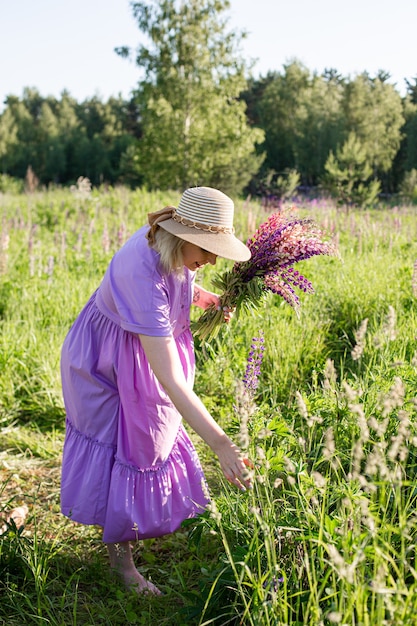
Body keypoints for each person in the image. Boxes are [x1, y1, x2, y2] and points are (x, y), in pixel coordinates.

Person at [60, 186, 252, 595]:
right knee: (122, 448)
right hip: (107, 361)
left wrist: (204, 298)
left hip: (142, 350)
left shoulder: (174, 248)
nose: (213, 259)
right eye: (208, 249)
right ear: (183, 237)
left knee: (148, 439)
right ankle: (121, 565)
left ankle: (128, 541)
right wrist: (219, 442)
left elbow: (179, 284)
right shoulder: (140, 270)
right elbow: (168, 377)